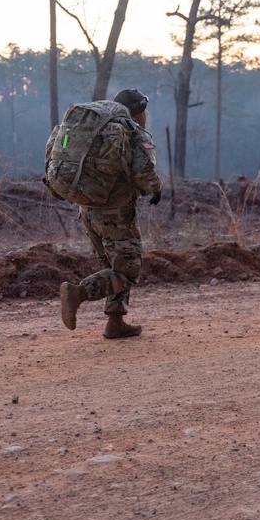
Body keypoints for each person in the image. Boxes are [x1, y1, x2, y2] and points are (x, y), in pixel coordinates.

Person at [46, 88, 162, 339]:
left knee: (115, 265)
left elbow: (52, 150)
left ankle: (115, 322)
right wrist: (155, 188)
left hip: (87, 208)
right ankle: (77, 293)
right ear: (139, 112)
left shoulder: (94, 125)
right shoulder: (131, 130)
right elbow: (144, 170)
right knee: (127, 269)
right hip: (116, 212)